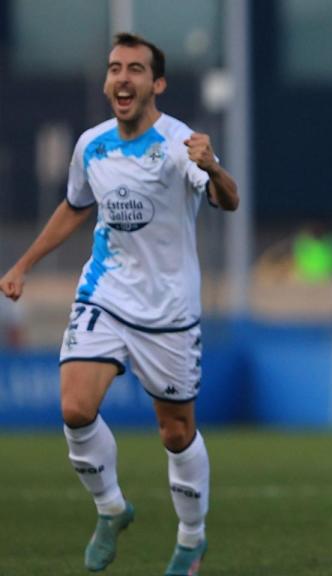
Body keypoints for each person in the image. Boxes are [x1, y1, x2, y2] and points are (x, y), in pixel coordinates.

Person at [0, 33, 239, 575]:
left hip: (169, 311)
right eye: (114, 68)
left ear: (157, 83)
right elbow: (74, 207)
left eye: (135, 69)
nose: (122, 78)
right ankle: (111, 508)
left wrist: (216, 168)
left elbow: (228, 200)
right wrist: (24, 264)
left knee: (176, 434)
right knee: (75, 409)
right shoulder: (92, 145)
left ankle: (192, 537)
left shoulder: (182, 144)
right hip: (104, 295)